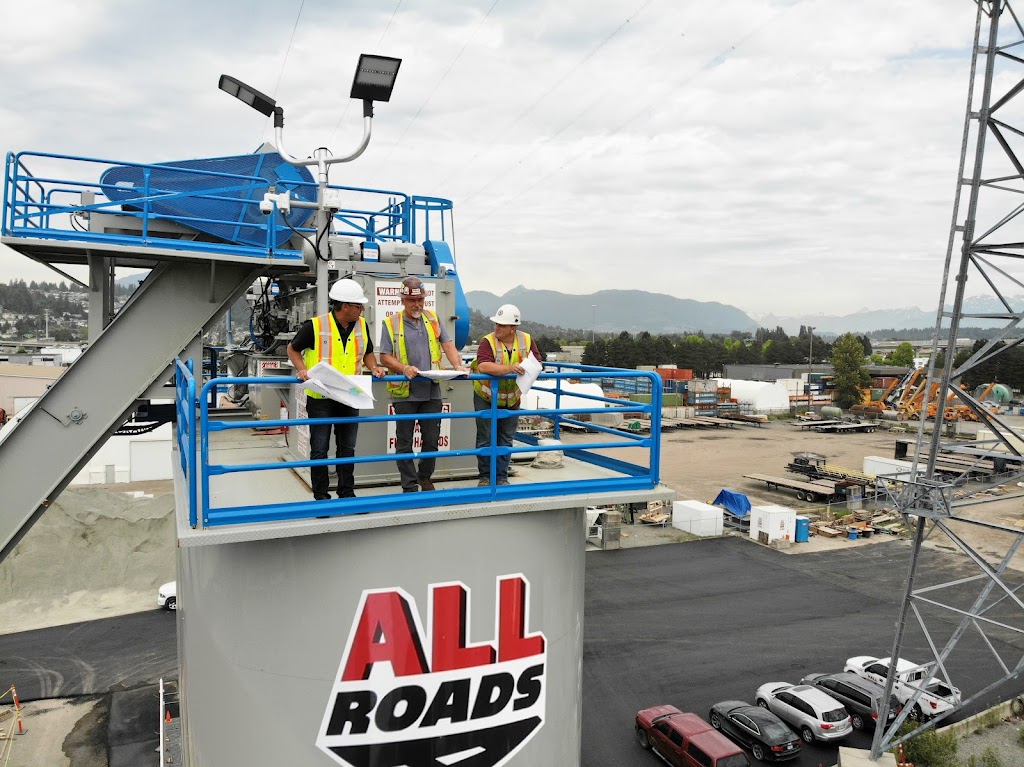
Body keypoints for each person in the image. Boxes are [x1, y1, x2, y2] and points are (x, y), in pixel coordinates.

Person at [287, 279, 387, 500]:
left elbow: (368, 352)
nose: (362, 309)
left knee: (347, 448)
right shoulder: (315, 326)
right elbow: (292, 349)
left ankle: (346, 492)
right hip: (321, 396)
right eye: (358, 306)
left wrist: (374, 367)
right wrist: (302, 369)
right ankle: (321, 496)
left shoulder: (361, 325)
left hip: (350, 396)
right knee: (320, 448)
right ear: (345, 306)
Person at [380, 276, 469, 492]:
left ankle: (425, 477)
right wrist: (403, 368)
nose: (417, 304)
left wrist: (458, 365)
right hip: (405, 394)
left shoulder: (433, 318)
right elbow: (384, 356)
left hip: (431, 391)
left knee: (431, 440)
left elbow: (447, 344)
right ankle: (409, 485)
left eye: (420, 299)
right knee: (404, 443)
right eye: (412, 301)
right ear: (402, 300)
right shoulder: (391, 323)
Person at [471, 303, 542, 486]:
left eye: (502, 325)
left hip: (512, 398)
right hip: (486, 396)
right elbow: (483, 366)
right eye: (496, 324)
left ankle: (501, 477)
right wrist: (510, 368)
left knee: (505, 439)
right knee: (485, 438)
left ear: (513, 328)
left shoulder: (526, 340)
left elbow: (537, 362)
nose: (497, 328)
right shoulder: (488, 341)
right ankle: (485, 477)